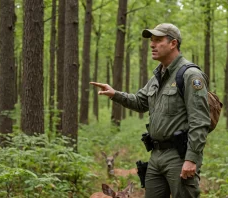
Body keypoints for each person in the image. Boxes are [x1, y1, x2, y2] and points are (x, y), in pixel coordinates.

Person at [90, 23, 210, 198]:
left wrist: (191, 158)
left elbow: (200, 121)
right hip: (156, 155)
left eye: (158, 40)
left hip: (179, 156)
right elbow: (140, 102)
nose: (152, 45)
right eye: (151, 40)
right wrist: (115, 94)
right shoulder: (157, 77)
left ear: (173, 43)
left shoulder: (190, 75)